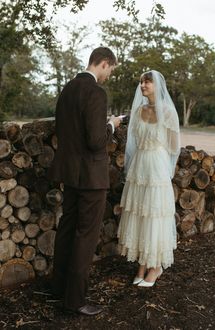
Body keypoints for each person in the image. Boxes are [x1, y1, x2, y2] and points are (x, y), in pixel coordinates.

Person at [48, 47, 121, 315]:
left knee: (67, 230)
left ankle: (58, 287)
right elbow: (95, 141)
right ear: (103, 63)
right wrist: (111, 125)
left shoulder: (67, 89)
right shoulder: (95, 93)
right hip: (91, 176)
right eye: (110, 70)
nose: (108, 75)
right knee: (85, 236)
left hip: (70, 174)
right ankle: (75, 300)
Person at [117, 70, 180, 287]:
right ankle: (142, 264)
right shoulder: (138, 111)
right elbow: (133, 143)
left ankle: (156, 266)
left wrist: (158, 152)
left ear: (157, 86)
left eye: (147, 82)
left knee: (154, 214)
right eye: (141, 81)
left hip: (157, 166)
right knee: (140, 213)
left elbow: (174, 147)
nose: (143, 85)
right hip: (140, 165)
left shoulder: (169, 112)